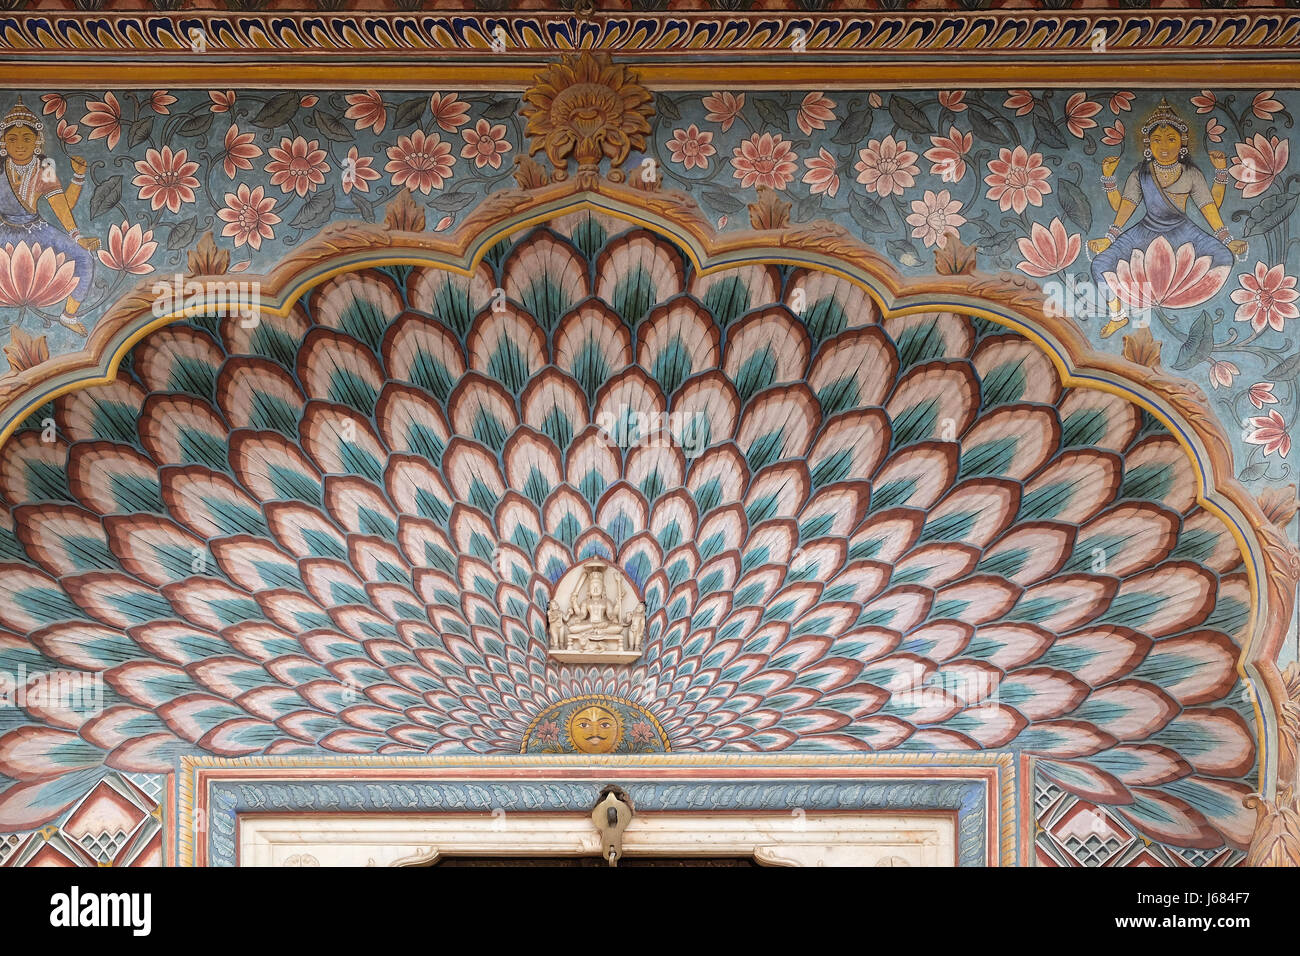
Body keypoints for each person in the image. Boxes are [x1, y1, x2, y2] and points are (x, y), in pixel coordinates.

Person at [1088, 99, 1245, 338]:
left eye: (1171, 139)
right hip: (1145, 229)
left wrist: (1226, 238)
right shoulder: (1141, 173)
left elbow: (1208, 206)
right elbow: (1125, 207)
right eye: (1158, 139)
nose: (1164, 146)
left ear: (1181, 143)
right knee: (1099, 264)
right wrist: (1109, 236)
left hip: (1183, 229)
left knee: (1224, 256)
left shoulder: (1190, 173)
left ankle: (1181, 294)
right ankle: (1117, 315)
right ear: (1148, 143)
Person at [0, 98, 98, 335]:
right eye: (12, 139)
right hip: (3, 228)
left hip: (37, 229)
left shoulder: (44, 166)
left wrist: (76, 236)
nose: (20, 145)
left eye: (26, 138)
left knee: (85, 259)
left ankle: (69, 315)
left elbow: (61, 205)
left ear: (37, 142)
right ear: (4, 142)